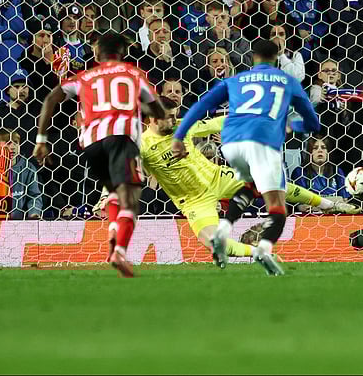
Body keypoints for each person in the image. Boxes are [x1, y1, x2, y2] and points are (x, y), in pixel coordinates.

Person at [171, 38, 320, 275]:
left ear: (253, 58)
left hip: (230, 146)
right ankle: (263, 247)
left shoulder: (235, 80)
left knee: (248, 187)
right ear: (276, 58)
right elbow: (313, 122)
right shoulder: (287, 81)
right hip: (261, 146)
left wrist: (179, 134)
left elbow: (199, 108)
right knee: (275, 203)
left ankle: (227, 228)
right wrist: (290, 126)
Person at [32, 32, 167, 278]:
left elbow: (52, 97)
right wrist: (157, 113)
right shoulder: (134, 74)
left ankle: (114, 231)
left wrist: (41, 139)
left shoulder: (85, 76)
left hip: (91, 144)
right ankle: (119, 249)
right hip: (121, 138)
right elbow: (156, 106)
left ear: (97, 54)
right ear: (122, 53)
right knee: (131, 198)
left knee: (115, 193)